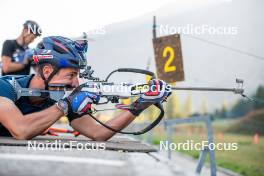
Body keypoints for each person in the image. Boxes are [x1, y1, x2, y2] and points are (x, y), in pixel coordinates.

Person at [0, 36, 170, 141]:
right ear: (47, 71)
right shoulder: (5, 87)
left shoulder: (59, 97)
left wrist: (140, 104)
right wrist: (65, 105)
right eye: (71, 75)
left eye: (78, 75)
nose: (76, 83)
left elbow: (98, 133)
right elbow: (20, 130)